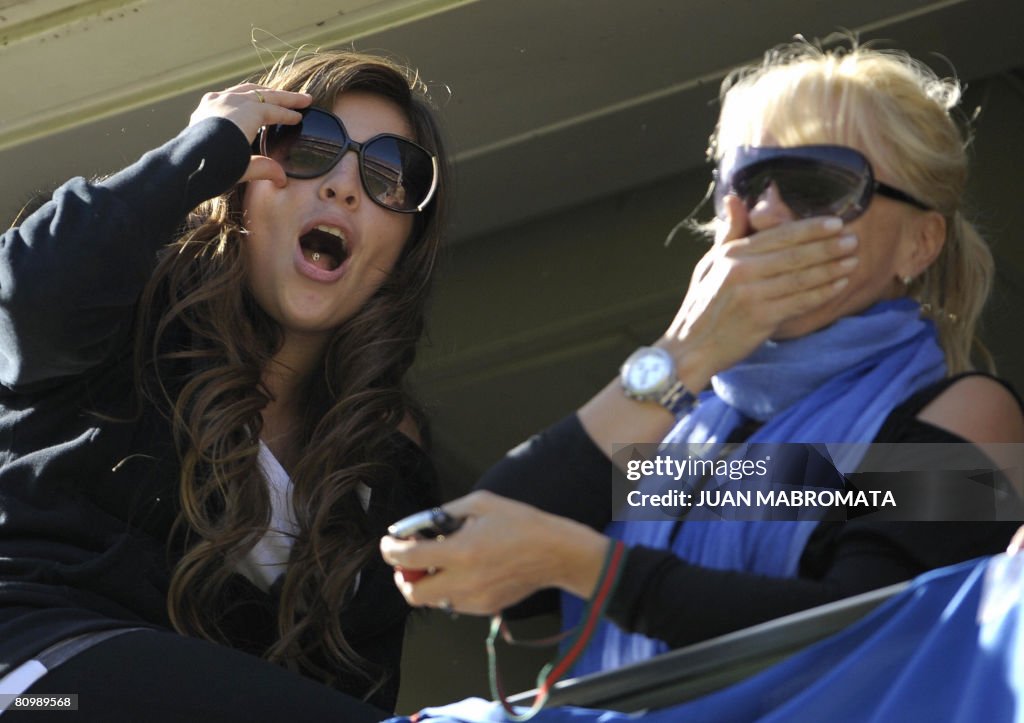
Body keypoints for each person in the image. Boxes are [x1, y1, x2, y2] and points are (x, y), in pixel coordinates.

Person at [381, 39, 1024, 680]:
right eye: (746, 184)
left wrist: (593, 569)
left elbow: (867, 635)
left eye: (819, 183)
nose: (768, 212)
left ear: (919, 242)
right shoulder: (681, 426)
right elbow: (465, 542)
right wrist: (679, 356)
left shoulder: (970, 410)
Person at [0, 50, 447, 720]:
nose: (345, 187)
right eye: (309, 146)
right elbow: (24, 302)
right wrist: (198, 149)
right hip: (37, 682)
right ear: (242, 177)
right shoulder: (123, 308)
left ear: (405, 245)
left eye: (391, 175)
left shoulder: (383, 471)